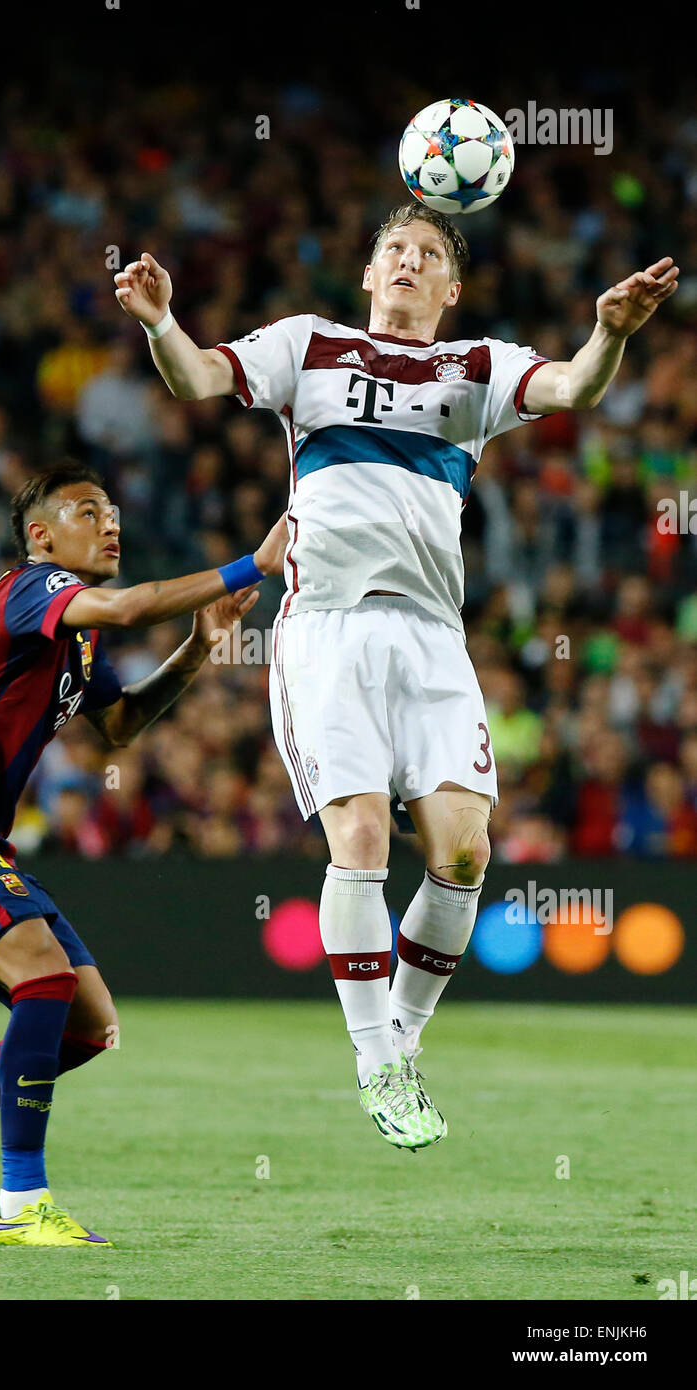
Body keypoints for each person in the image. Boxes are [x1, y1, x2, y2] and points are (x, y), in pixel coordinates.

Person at [115, 204, 678, 1150]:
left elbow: (578, 388)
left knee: (463, 853)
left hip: (429, 637)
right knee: (364, 834)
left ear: (451, 291)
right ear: (370, 276)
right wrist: (160, 323)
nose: (410, 264)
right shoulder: (309, 345)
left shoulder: (482, 369)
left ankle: (398, 1046)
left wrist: (608, 333)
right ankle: (377, 1060)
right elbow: (199, 377)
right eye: (395, 253)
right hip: (328, 630)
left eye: (428, 257)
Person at [0, 459, 287, 1245]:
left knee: (87, 1025)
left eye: (115, 511)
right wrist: (250, 564)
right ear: (41, 535)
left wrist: (198, 650)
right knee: (44, 977)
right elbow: (129, 606)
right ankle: (21, 1203)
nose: (111, 523)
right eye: (90, 512)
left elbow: (119, 728)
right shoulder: (29, 590)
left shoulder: (75, 637)